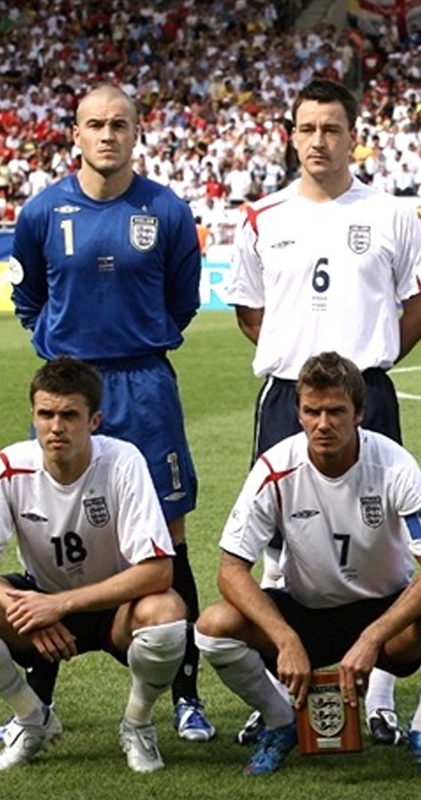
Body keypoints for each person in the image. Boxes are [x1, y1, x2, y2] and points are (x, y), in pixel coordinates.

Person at [226, 77, 421, 746]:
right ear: (292, 135)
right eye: (308, 128)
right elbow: (249, 311)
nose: (320, 141)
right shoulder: (263, 215)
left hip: (366, 389)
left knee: (383, 537)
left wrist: (360, 372)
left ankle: (376, 694)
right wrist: (309, 374)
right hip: (288, 390)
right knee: (280, 541)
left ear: (354, 135)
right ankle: (281, 695)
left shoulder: (394, 215)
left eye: (332, 129)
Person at [8, 84, 214, 742]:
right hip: (71, 387)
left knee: (170, 536)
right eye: (94, 124)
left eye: (118, 124)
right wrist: (62, 351)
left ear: (136, 132)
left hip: (143, 386)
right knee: (53, 531)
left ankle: (186, 697)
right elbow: (32, 300)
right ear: (74, 133)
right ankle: (37, 707)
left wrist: (139, 342)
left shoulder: (166, 210)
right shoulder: (42, 212)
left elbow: (182, 301)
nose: (107, 135)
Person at [194, 352, 421, 780]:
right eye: (312, 411)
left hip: (385, 616)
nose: (323, 423)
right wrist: (285, 638)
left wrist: (372, 636)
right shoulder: (274, 468)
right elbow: (231, 569)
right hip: (306, 613)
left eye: (336, 411)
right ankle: (279, 722)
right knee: (213, 626)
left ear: (359, 413)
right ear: (299, 412)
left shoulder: (395, 465)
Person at [0, 357, 187, 772]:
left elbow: (158, 571)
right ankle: (32, 718)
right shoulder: (10, 467)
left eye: (69, 415)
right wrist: (25, 604)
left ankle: (137, 725)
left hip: (117, 609)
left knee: (168, 614)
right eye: (45, 414)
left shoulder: (123, 461)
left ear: (94, 420)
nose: (56, 426)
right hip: (41, 608)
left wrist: (60, 604)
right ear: (32, 416)